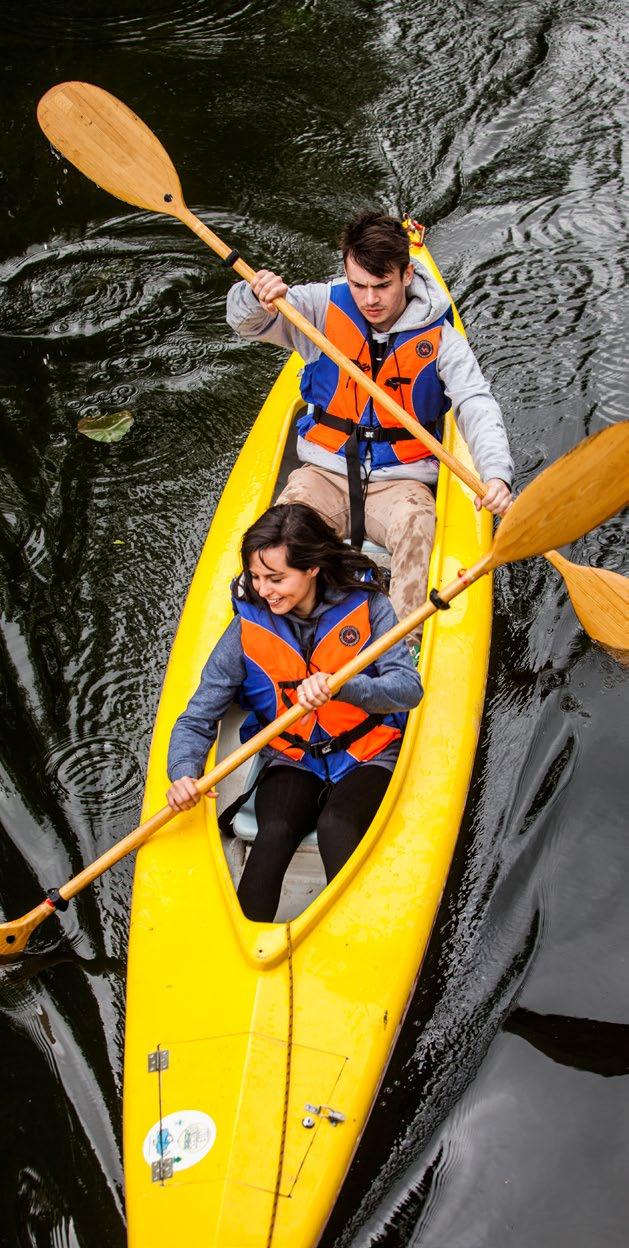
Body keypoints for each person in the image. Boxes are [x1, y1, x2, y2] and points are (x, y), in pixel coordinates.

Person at [226, 212, 514, 656]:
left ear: (407, 274)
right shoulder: (319, 306)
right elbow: (244, 323)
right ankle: (273, 641)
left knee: (419, 525)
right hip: (323, 471)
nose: (370, 299)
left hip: (400, 482)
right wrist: (254, 295)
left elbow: (476, 403)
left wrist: (496, 474)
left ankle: (396, 652)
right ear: (346, 272)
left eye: (382, 286)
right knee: (276, 543)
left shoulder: (441, 339)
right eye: (359, 285)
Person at [166, 503, 422, 922]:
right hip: (291, 757)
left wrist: (344, 686)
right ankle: (246, 945)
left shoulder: (370, 608)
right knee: (275, 834)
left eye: (277, 578)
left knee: (338, 826)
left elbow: (408, 690)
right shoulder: (246, 630)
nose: (264, 590)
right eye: (256, 577)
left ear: (313, 569)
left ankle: (352, 937)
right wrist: (183, 770)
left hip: (368, 753)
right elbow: (197, 717)